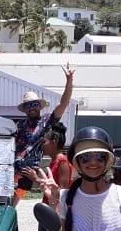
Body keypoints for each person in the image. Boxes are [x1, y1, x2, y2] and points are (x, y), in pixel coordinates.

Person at [12, 64, 75, 204]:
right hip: (12, 168)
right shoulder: (19, 126)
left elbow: (64, 103)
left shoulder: (47, 122)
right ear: (25, 110)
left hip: (29, 172)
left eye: (34, 104)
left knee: (18, 200)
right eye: (28, 105)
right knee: (5, 201)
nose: (32, 108)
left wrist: (69, 81)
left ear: (39, 107)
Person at [23, 124, 72, 231]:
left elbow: (62, 192)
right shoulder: (54, 161)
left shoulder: (62, 162)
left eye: (44, 141)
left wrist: (36, 179)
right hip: (48, 211)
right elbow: (49, 189)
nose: (41, 145)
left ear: (54, 142)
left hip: (54, 215)